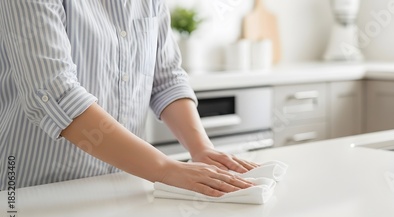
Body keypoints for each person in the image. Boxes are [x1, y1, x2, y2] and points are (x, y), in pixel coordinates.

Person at [0, 0, 257, 196]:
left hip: (126, 185)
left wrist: (202, 149)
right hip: (38, 193)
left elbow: (166, 77)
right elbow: (56, 94)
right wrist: (166, 169)